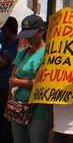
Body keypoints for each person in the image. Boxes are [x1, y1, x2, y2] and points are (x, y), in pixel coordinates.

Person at [9, 14, 52, 143]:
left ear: (41, 31)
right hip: (17, 108)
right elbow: (12, 76)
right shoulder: (22, 53)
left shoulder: (48, 53)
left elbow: (41, 83)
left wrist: (16, 81)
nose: (28, 38)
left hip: (38, 112)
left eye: (32, 34)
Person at [0, 16, 19, 143]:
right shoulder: (6, 40)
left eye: (4, 30)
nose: (2, 33)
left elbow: (2, 63)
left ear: (9, 31)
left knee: (5, 121)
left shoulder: (16, 45)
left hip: (5, 88)